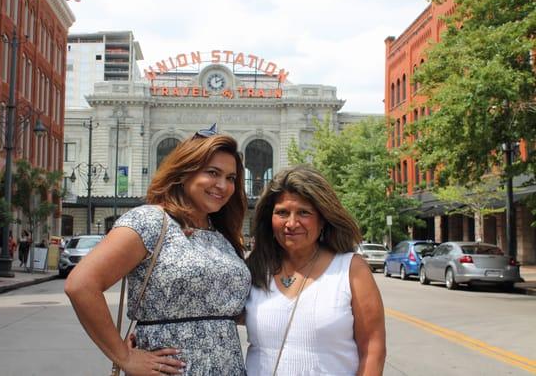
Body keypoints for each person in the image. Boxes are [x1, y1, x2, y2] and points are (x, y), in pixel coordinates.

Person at [65, 125, 250, 375]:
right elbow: (81, 285)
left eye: (230, 178)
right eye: (213, 173)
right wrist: (124, 356)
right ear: (184, 173)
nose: (223, 185)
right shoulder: (151, 221)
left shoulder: (222, 236)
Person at [245, 165, 386, 375]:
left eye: (304, 212)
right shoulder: (254, 269)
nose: (291, 223)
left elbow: (373, 349)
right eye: (282, 213)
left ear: (323, 219)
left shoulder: (350, 269)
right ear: (270, 219)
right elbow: (208, 315)